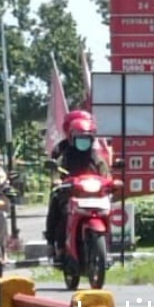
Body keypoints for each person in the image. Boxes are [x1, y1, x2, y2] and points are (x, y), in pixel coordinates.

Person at [44, 110, 110, 259]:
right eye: (80, 137)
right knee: (58, 206)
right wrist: (57, 181)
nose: (84, 140)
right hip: (70, 192)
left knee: (108, 207)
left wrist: (111, 181)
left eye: (87, 137)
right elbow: (55, 168)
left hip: (92, 194)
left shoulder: (96, 154)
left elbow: (104, 170)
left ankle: (106, 245)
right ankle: (55, 244)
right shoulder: (62, 151)